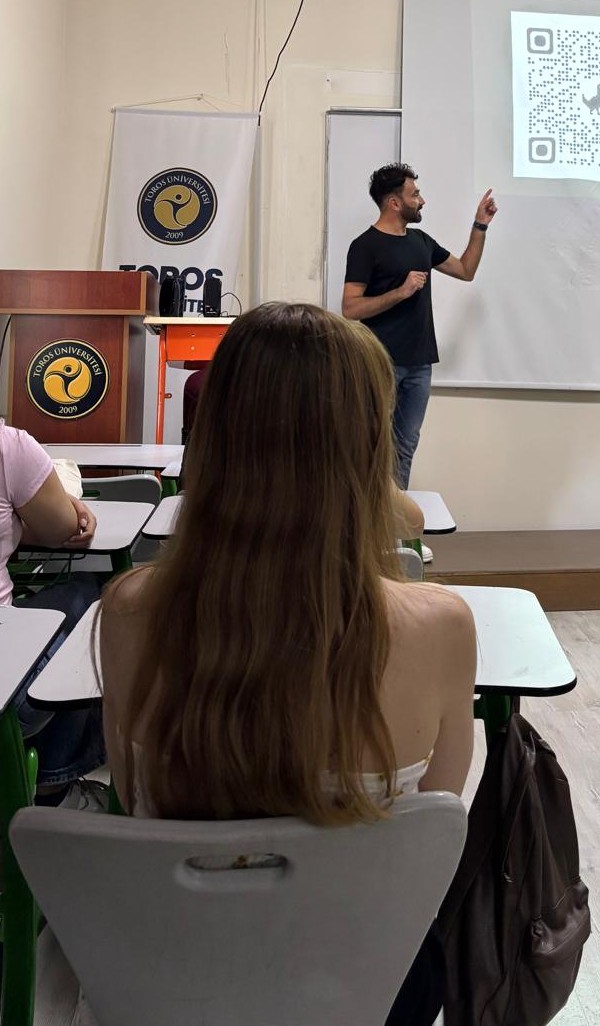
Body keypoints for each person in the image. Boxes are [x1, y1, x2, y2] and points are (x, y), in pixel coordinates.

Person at [98, 303, 476, 1026]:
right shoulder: (442, 627)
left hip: (180, 975)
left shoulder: (130, 610)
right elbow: (428, 837)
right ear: (368, 444)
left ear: (213, 435)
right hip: (369, 980)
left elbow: (131, 791)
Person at [342, 163, 498, 496]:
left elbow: (465, 270)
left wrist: (480, 225)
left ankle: (394, 516)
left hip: (419, 364)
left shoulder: (421, 242)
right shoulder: (365, 246)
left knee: (405, 445)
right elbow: (350, 308)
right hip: (380, 363)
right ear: (394, 202)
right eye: (415, 195)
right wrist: (400, 292)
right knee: (371, 444)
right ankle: (365, 516)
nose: (422, 201)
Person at [0, 419, 106, 807]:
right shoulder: (9, 447)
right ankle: (54, 789)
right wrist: (72, 508)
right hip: (6, 697)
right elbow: (63, 529)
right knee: (92, 599)